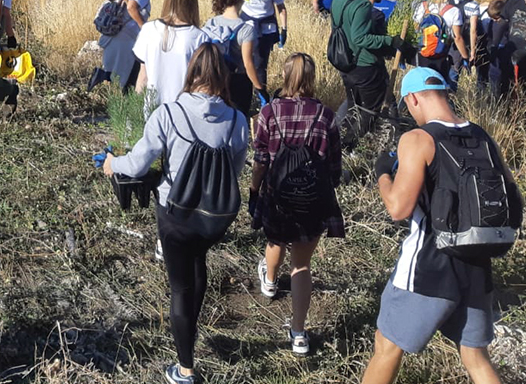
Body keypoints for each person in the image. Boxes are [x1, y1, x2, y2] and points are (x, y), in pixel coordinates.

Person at [359, 67, 521, 384]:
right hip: (477, 264)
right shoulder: (482, 137)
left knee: (386, 347)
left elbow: (398, 208)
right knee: (475, 357)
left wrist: (382, 173)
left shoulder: (417, 139)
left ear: (413, 98)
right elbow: (513, 198)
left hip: (428, 267)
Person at [101, 44, 249, 384]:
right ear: (223, 77)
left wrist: (113, 164)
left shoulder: (168, 114)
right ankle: (191, 331)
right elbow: (234, 171)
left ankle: (185, 369)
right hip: (213, 219)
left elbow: (138, 163)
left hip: (174, 214)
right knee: (198, 268)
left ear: (192, 72)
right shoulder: (238, 121)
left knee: (180, 287)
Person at [250, 54, 343, 356]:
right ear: (312, 79)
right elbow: (333, 166)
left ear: (285, 75)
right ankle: (299, 333)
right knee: (303, 264)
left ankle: (270, 282)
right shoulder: (326, 115)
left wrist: (254, 190)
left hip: (278, 196)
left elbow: (261, 160)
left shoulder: (269, 112)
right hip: (312, 199)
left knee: (275, 240)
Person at [330, 0, 402, 117]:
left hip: (343, 61)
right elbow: (360, 38)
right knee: (371, 111)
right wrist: (390, 41)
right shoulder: (362, 5)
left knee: (352, 107)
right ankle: (362, 138)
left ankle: (346, 137)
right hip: (363, 64)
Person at [133, 0, 208, 113]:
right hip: (185, 111)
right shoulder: (199, 37)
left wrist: (135, 113)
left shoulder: (149, 30)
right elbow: (200, 81)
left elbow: (143, 75)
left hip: (152, 110)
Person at [94, 0, 170, 91]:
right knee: (119, 77)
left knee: (114, 72)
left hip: (119, 35)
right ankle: (107, 93)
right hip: (124, 37)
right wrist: (144, 27)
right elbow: (131, 7)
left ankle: (100, 87)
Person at [202, 0, 265, 111]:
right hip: (238, 83)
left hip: (214, 79)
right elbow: (248, 64)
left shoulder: (210, 24)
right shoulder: (245, 29)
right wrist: (260, 88)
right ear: (241, 0)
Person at [239, 0, 288, 87]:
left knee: (261, 62)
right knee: (244, 60)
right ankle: (246, 89)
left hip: (266, 27)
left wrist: (284, 29)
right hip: (247, 23)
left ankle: (261, 90)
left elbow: (281, 7)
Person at [414, 0, 467, 88]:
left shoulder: (422, 7)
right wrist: (465, 56)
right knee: (440, 84)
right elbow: (457, 37)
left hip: (422, 52)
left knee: (422, 83)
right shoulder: (454, 11)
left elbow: (415, 29)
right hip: (441, 52)